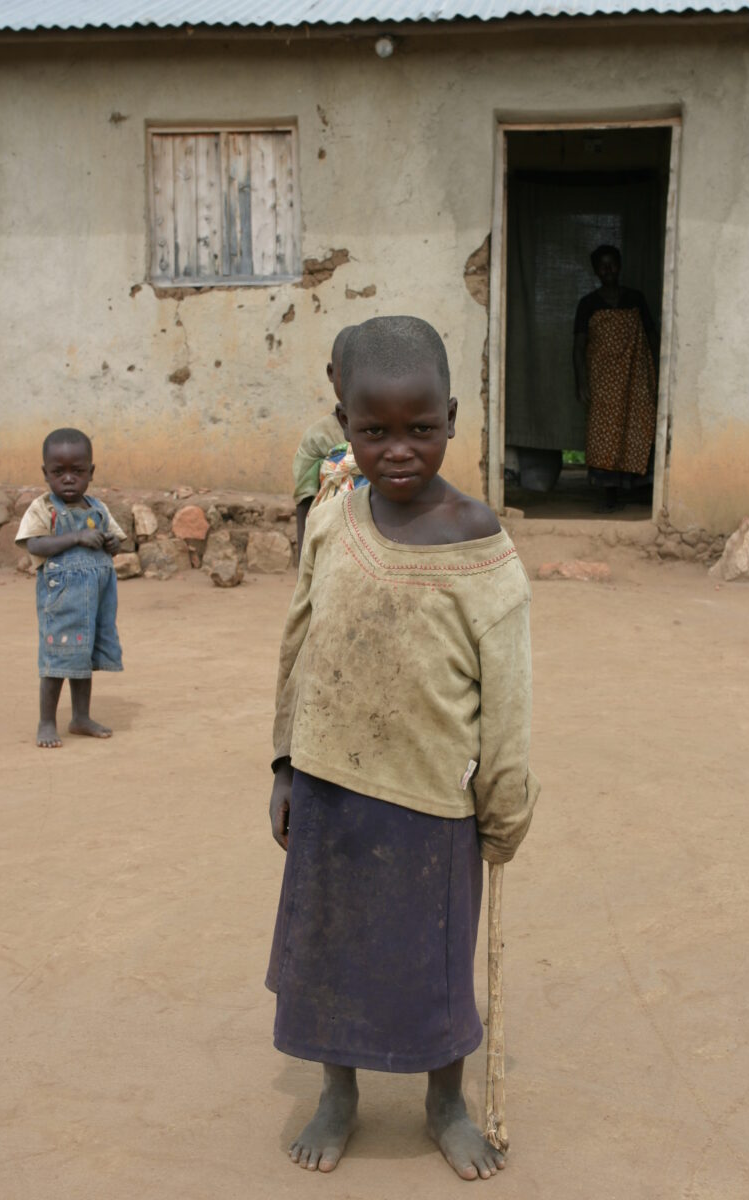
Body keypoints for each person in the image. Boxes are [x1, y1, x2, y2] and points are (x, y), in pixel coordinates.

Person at [267, 316, 540, 1180]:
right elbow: (299, 641)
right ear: (341, 419)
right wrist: (282, 762)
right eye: (372, 429)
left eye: (419, 429)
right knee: (326, 953)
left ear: (452, 417)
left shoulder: (479, 546)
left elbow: (509, 701)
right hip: (328, 787)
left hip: (431, 800)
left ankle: (444, 1102)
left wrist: (505, 808)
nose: (396, 450)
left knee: (436, 967)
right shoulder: (331, 520)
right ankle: (338, 1092)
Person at [16, 428, 124, 748]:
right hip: (60, 600)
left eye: (77, 471)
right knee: (56, 658)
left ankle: (80, 717)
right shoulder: (42, 509)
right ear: (45, 473)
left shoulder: (98, 509)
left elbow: (115, 540)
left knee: (82, 657)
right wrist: (75, 538)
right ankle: (47, 721)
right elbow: (33, 543)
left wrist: (112, 543)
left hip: (95, 599)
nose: (67, 479)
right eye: (57, 472)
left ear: (90, 472)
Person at [573, 244, 659, 511]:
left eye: (612, 264)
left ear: (619, 266)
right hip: (603, 379)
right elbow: (578, 346)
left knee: (638, 424)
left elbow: (651, 337)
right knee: (604, 432)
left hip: (635, 376)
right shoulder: (588, 304)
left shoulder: (635, 299)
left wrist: (656, 374)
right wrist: (582, 382)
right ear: (596, 270)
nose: (608, 270)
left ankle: (638, 488)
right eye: (602, 265)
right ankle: (609, 492)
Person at [292, 326, 356, 550]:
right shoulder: (317, 438)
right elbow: (305, 505)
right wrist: (303, 571)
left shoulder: (388, 431)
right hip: (331, 543)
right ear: (331, 373)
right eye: (346, 372)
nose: (356, 381)